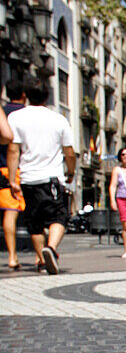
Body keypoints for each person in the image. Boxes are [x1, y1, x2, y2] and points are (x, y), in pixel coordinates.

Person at [6, 78, 73, 275]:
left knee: (34, 223)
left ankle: (43, 262)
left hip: (28, 178)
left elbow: (13, 150)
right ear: (48, 96)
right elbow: (69, 151)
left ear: (26, 95)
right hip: (52, 178)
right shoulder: (58, 119)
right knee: (59, 217)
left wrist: (12, 179)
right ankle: (51, 249)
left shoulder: (16, 118)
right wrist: (71, 171)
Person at [0, 79, 27, 270]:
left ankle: (12, 256)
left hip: (1, 167)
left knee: (9, 213)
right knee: (32, 212)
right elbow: (10, 139)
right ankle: (40, 256)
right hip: (20, 168)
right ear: (24, 94)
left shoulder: (4, 111)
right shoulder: (25, 114)